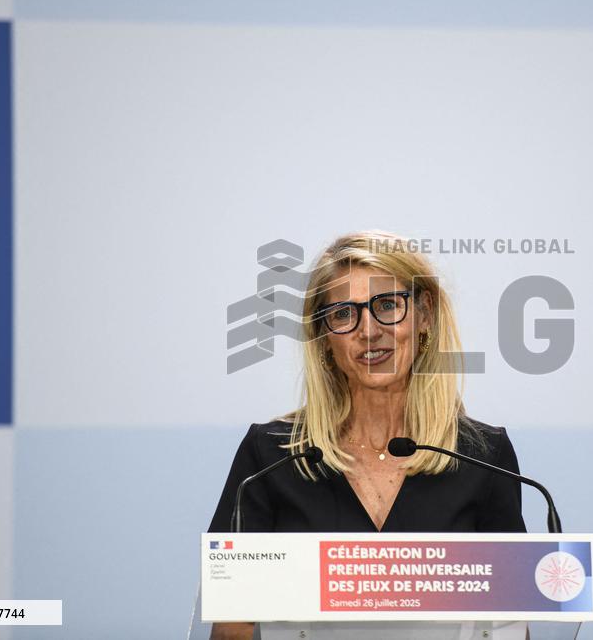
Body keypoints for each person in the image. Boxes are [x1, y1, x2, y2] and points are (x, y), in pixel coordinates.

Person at [207, 231, 527, 639]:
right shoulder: (271, 456)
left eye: (388, 306)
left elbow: (511, 620)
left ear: (425, 315)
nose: (369, 331)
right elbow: (231, 626)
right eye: (343, 314)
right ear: (324, 339)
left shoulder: (483, 456)